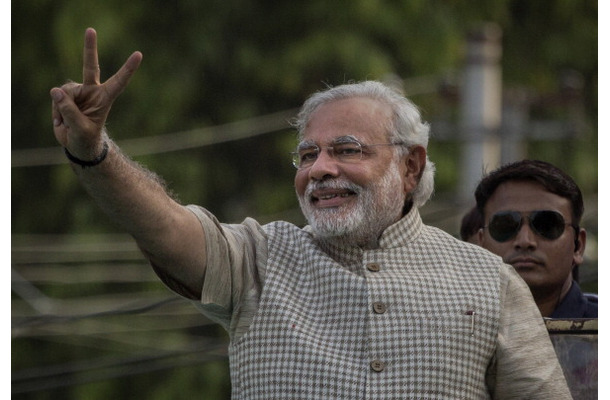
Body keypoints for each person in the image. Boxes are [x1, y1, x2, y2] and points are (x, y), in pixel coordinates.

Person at [50, 28, 571, 399]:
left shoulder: (489, 281)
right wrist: (95, 152)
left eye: (346, 150)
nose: (319, 169)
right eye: (306, 155)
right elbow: (161, 224)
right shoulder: (258, 258)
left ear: (410, 166)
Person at [474, 159, 597, 319]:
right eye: (505, 226)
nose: (525, 241)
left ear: (578, 246)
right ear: (481, 246)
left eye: (546, 225)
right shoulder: (452, 333)